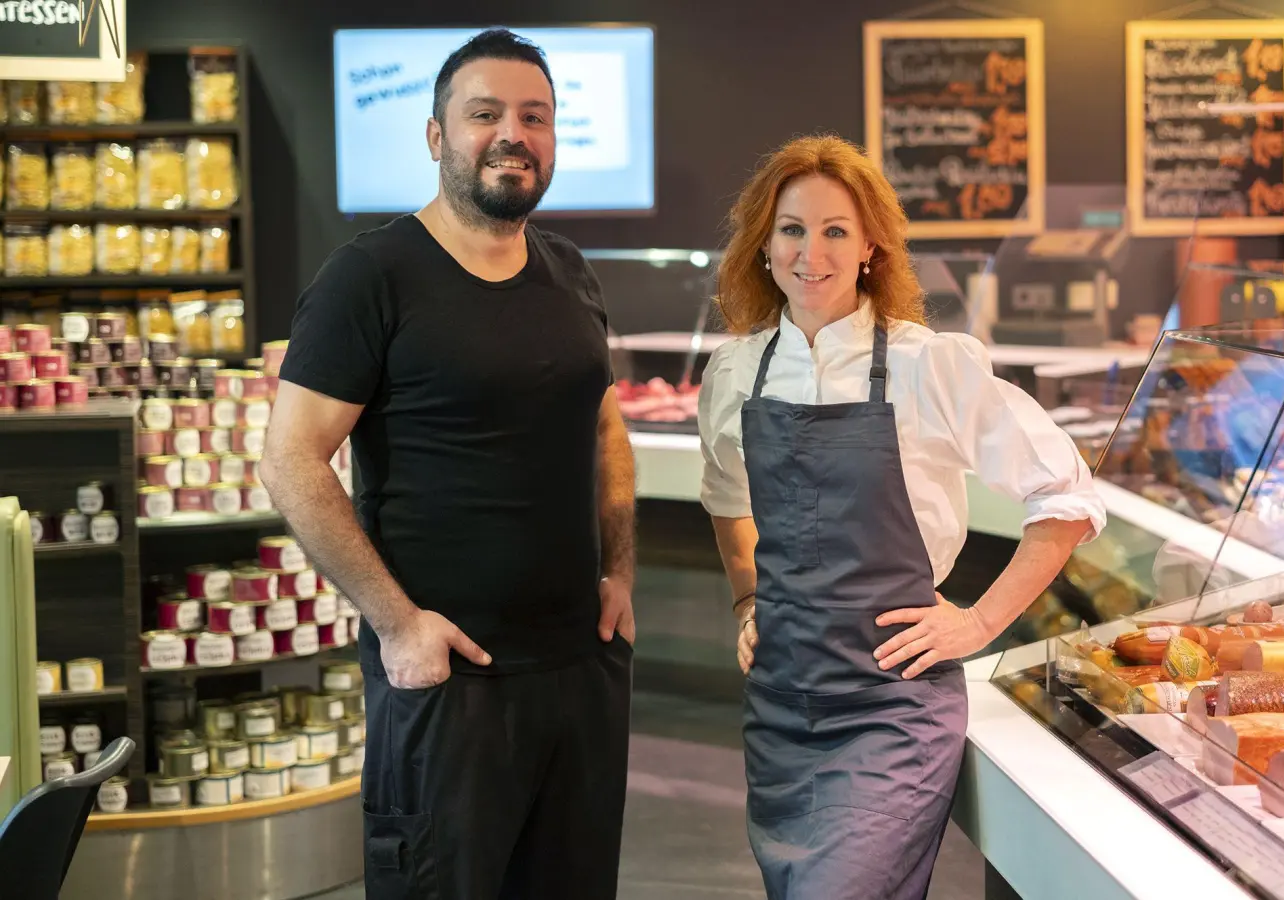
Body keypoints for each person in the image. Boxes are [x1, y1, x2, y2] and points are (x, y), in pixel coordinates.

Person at [260, 29, 635, 900]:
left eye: (534, 116)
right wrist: (396, 624)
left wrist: (618, 569)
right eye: (485, 114)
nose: (514, 133)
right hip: (448, 679)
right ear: (437, 137)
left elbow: (604, 426)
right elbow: (291, 459)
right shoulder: (371, 276)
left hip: (580, 671)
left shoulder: (570, 271)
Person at [697, 134, 1106, 899]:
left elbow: (1069, 496)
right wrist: (749, 597)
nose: (809, 252)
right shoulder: (734, 371)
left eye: (835, 230)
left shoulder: (928, 365)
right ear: (764, 243)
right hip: (782, 708)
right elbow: (725, 498)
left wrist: (979, 625)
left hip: (892, 709)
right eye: (791, 228)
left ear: (871, 249)